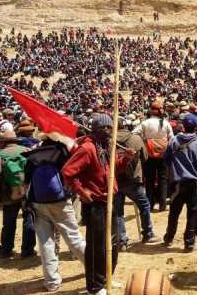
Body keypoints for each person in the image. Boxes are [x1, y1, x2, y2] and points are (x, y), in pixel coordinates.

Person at [62, 114, 135, 295]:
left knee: (113, 243)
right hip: (96, 203)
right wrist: (81, 191)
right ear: (95, 130)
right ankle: (95, 286)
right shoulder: (87, 148)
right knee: (97, 246)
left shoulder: (105, 146)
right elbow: (67, 172)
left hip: (111, 201)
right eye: (106, 128)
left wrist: (126, 158)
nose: (110, 131)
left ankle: (107, 278)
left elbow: (114, 167)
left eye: (111, 128)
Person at [25, 137, 86, 293]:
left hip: (38, 202)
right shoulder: (62, 152)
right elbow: (72, 175)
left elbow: (26, 182)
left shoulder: (33, 154)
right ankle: (93, 269)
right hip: (60, 201)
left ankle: (52, 282)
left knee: (45, 242)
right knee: (73, 237)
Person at [0, 130, 37, 258]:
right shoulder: (27, 151)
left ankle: (6, 250)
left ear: (2, 142)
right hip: (28, 192)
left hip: (8, 194)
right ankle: (28, 250)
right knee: (29, 220)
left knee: (9, 222)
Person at [163, 113, 197, 251]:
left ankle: (169, 238)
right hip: (193, 182)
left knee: (174, 212)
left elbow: (166, 159)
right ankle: (189, 242)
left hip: (177, 182)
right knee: (193, 212)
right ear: (196, 127)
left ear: (183, 126)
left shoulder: (174, 141)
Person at [115, 118, 158, 248]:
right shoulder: (136, 139)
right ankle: (148, 234)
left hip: (115, 180)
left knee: (118, 212)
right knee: (144, 206)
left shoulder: (109, 140)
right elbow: (145, 157)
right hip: (133, 179)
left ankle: (121, 240)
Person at [133, 100, 173, 212]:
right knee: (163, 179)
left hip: (149, 155)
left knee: (149, 180)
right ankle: (162, 204)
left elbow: (134, 133)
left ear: (151, 110)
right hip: (163, 155)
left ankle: (150, 204)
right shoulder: (165, 123)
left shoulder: (145, 123)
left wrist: (145, 141)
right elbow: (172, 138)